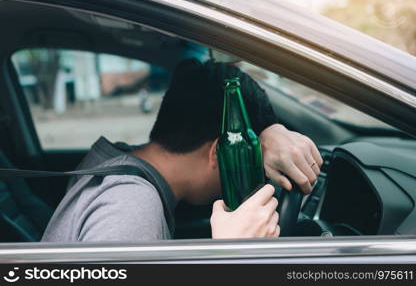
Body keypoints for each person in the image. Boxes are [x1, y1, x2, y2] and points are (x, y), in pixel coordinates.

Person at [41, 58, 323, 242]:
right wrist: (228, 254)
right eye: (250, 163)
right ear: (217, 153)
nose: (251, 179)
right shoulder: (131, 206)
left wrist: (270, 132)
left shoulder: (112, 162)